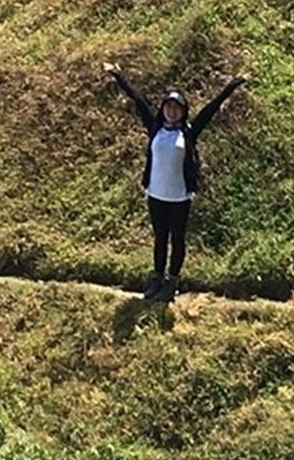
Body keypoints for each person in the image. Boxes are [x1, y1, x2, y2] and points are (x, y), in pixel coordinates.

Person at [103, 62, 246, 302]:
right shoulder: (156, 128)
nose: (172, 111)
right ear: (163, 109)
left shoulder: (188, 132)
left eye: (177, 108)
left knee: (177, 239)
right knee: (160, 238)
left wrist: (232, 84)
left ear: (183, 111)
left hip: (179, 196)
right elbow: (138, 101)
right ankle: (156, 279)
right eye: (168, 107)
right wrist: (119, 75)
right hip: (156, 193)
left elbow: (211, 109)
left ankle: (172, 282)